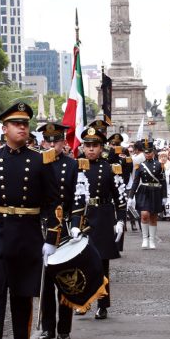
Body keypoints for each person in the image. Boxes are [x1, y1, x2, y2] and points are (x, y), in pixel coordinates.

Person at [0, 103, 61, 339]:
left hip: (27, 236)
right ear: (5, 129)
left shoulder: (41, 161)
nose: (22, 128)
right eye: (16, 124)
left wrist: (51, 239)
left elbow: (53, 203)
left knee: (22, 298)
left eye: (25, 124)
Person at [69, 127, 127, 319]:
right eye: (87, 146)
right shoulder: (75, 166)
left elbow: (120, 198)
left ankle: (102, 304)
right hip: (83, 216)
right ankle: (83, 302)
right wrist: (74, 222)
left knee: (102, 265)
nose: (91, 149)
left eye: (95, 146)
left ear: (102, 148)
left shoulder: (110, 168)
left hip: (102, 216)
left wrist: (120, 220)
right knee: (80, 263)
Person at [36, 122, 81, 339]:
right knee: (45, 282)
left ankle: (64, 328)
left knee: (65, 279)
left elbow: (77, 199)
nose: (53, 144)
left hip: (63, 228)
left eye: (57, 140)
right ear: (43, 142)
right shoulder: (35, 163)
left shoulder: (72, 165)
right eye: (49, 140)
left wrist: (75, 223)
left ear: (64, 142)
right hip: (42, 226)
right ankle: (47, 328)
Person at [131, 139, 166, 249]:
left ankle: (152, 240)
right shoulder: (140, 166)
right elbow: (136, 181)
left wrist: (165, 196)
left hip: (156, 191)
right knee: (144, 215)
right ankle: (145, 238)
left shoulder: (160, 165)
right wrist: (130, 196)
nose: (148, 154)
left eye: (149, 152)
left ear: (153, 152)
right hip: (144, 191)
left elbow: (163, 181)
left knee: (153, 217)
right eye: (146, 152)